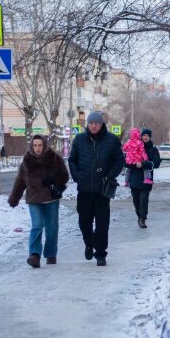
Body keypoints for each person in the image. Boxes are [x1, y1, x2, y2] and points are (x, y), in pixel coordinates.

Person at [68, 111, 124, 266]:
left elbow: (119, 160)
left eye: (96, 123)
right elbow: (72, 160)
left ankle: (100, 254)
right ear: (87, 124)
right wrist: (77, 176)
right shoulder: (80, 140)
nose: (93, 126)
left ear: (101, 124)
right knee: (84, 221)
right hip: (84, 189)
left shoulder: (111, 140)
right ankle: (89, 243)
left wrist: (110, 176)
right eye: (91, 123)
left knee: (102, 223)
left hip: (102, 190)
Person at [8, 134, 69, 268]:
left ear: (45, 145)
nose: (37, 148)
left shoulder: (54, 158)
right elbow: (20, 180)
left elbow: (64, 176)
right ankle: (34, 255)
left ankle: (51, 254)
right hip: (34, 199)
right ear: (31, 146)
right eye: (35, 145)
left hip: (51, 199)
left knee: (52, 227)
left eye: (40, 145)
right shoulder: (27, 160)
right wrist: (14, 198)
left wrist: (54, 181)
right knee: (37, 225)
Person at [126, 128, 161, 228]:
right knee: (136, 201)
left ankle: (142, 219)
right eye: (144, 135)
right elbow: (126, 162)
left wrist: (142, 164)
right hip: (134, 179)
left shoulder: (153, 150)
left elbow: (157, 163)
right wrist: (134, 165)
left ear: (150, 137)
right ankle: (139, 215)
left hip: (146, 180)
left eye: (147, 136)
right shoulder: (133, 146)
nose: (145, 137)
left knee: (144, 201)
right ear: (140, 136)